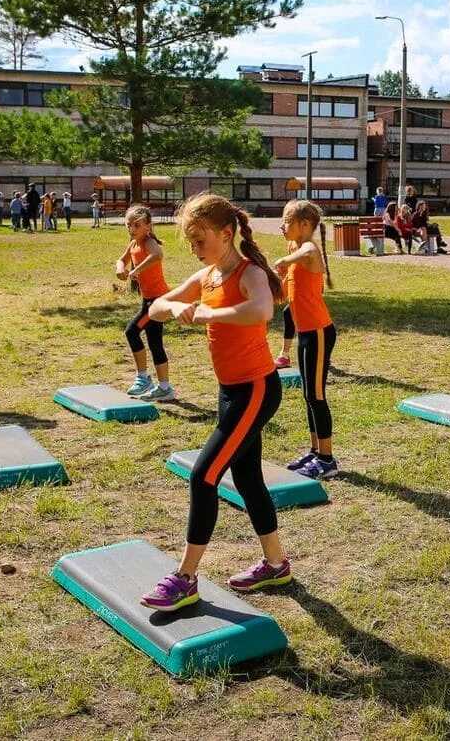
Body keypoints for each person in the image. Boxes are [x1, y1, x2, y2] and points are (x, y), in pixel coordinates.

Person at [140, 193, 290, 609]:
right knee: (247, 479)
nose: (194, 248)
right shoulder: (206, 276)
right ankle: (276, 564)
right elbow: (155, 307)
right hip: (229, 392)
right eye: (189, 241)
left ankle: (186, 577)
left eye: (199, 239)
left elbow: (260, 310)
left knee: (203, 476)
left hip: (256, 390)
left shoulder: (250, 273)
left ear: (227, 234)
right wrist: (176, 305)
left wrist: (205, 313)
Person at [273, 200, 338, 480]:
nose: (282, 225)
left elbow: (310, 250)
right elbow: (289, 288)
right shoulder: (294, 249)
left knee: (317, 395)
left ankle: (327, 459)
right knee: (307, 394)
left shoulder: (308, 250)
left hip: (320, 332)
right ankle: (314, 451)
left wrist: (286, 261)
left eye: (286, 221)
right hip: (305, 333)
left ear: (304, 226)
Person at [116, 204, 173, 401]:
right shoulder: (133, 244)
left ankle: (143, 378)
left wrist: (134, 271)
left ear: (148, 226)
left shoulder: (148, 242)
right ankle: (164, 387)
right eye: (128, 225)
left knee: (131, 332)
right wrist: (120, 268)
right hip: (148, 300)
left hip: (158, 300)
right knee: (154, 342)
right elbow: (120, 260)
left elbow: (157, 255)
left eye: (137, 225)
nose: (132, 229)